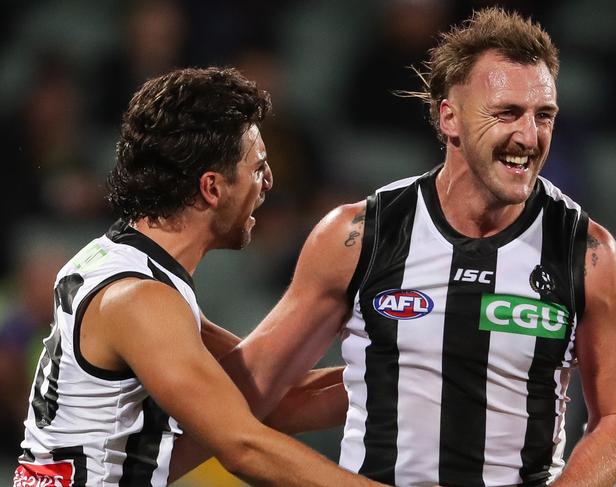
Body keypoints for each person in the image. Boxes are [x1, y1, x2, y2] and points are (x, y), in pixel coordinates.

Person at [221, 8, 616, 487]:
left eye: (543, 115)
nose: (529, 136)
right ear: (450, 118)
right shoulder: (360, 235)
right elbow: (250, 390)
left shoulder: (587, 251)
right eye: (507, 113)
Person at [13, 66, 387, 487]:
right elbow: (243, 446)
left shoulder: (116, 262)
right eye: (257, 167)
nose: (268, 181)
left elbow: (276, 395)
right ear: (212, 187)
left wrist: (413, 369)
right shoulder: (140, 300)